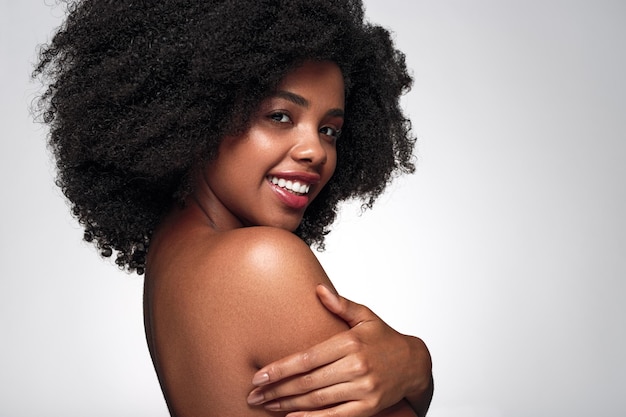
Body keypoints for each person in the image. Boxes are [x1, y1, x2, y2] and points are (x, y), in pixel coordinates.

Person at [33, 1, 433, 416]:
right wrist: (418, 367)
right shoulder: (260, 263)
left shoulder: (175, 252)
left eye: (329, 129)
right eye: (279, 116)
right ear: (201, 113)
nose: (315, 150)